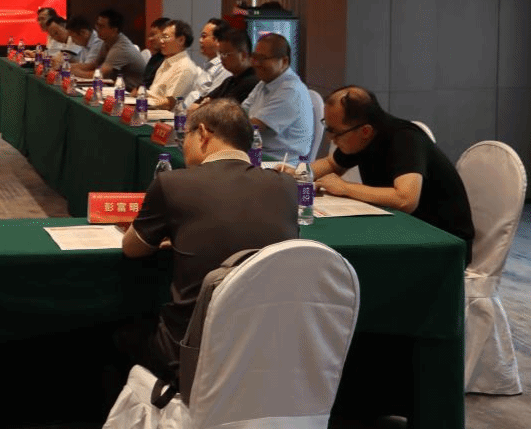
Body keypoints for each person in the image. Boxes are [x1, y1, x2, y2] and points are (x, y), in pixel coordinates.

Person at [116, 99, 298, 381]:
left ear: (202, 133)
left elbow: (132, 248)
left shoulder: (172, 183)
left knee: (120, 334)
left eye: (184, 136)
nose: (182, 145)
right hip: (266, 349)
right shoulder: (286, 185)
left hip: (191, 353)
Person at [312, 86, 474, 262]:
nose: (330, 138)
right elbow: (330, 164)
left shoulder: (405, 139)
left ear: (365, 131)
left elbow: (405, 199)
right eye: (327, 128)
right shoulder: (361, 137)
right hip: (404, 230)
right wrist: (297, 174)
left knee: (341, 258)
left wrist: (345, 188)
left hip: (443, 243)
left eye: (335, 132)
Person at [241, 33, 314, 166]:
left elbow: (253, 127)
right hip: (259, 154)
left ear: (284, 61)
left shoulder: (291, 90)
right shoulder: (265, 83)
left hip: (280, 163)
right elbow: (241, 111)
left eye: (262, 59)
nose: (256, 63)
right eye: (254, 57)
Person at [72, 7, 145, 88]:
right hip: (116, 87)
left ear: (114, 30)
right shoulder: (107, 41)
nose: (97, 29)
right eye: (97, 25)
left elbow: (99, 75)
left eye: (101, 26)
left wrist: (76, 72)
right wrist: (70, 67)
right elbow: (94, 65)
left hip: (130, 91)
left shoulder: (120, 48)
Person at [193, 27, 259, 105]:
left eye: (226, 54)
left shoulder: (252, 82)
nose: (222, 58)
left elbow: (223, 109)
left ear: (243, 55)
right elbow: (200, 101)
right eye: (220, 54)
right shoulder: (229, 81)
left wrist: (207, 105)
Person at [145, 20, 199, 110]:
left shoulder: (185, 67)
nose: (161, 41)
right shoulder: (167, 61)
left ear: (181, 40)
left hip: (164, 116)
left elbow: (169, 104)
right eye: (161, 37)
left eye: (165, 37)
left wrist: (142, 101)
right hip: (151, 109)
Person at [182, 18, 231, 108]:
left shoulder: (223, 67)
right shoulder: (209, 65)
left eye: (204, 36)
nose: (200, 40)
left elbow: (210, 102)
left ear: (217, 40)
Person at [140, 17, 171, 90]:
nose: (150, 39)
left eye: (153, 35)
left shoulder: (173, 61)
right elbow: (142, 84)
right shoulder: (155, 58)